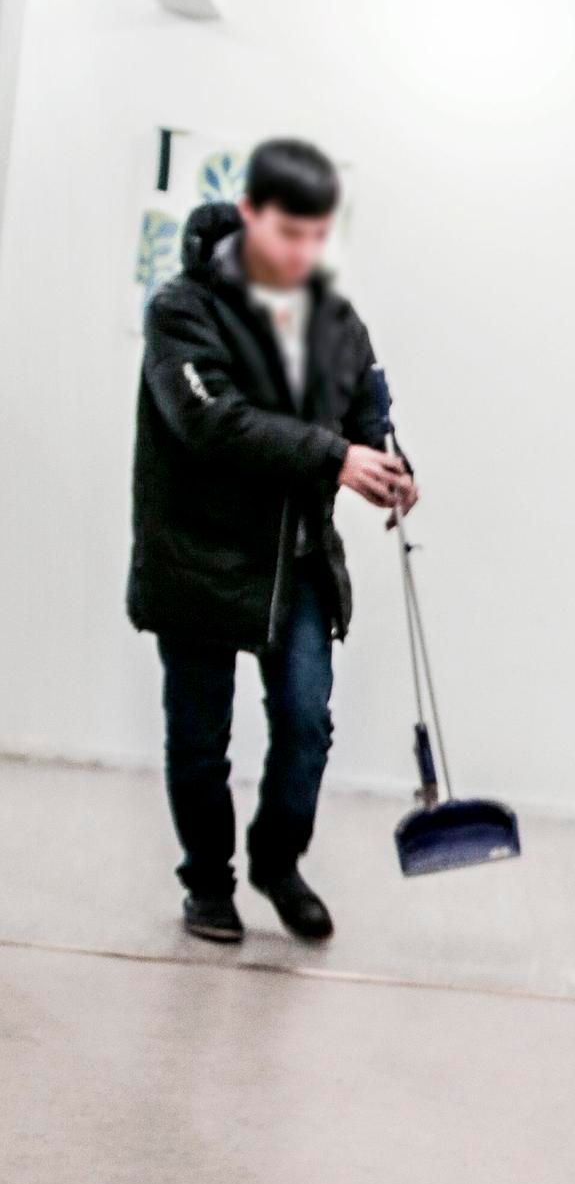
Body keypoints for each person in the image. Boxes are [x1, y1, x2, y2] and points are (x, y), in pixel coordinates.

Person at [127, 136, 414, 946]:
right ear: (249, 213)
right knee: (200, 739)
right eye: (289, 232)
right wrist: (334, 456)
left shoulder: (336, 322)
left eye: (317, 236)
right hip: (199, 559)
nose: (302, 252)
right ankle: (207, 883)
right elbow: (210, 420)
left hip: (297, 561)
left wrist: (390, 466)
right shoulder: (181, 309)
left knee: (305, 725)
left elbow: (368, 413)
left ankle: (277, 864)